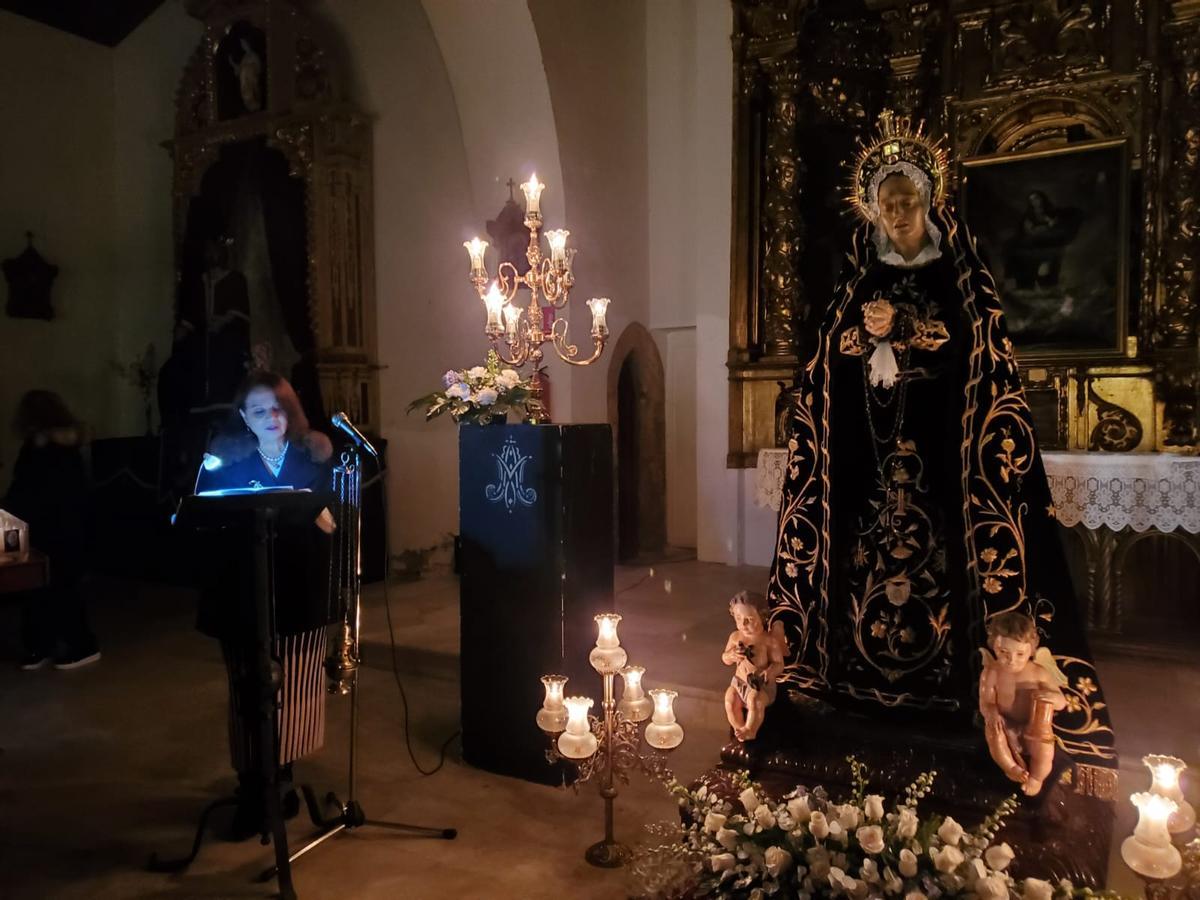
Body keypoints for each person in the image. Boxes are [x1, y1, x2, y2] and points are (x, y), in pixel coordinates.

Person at [765, 111, 1115, 775]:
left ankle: (965, 695)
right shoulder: (856, 282)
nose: (898, 212)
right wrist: (864, 337)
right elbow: (826, 365)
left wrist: (908, 330)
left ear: (929, 203)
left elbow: (981, 355)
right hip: (869, 468)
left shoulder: (961, 278)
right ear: (873, 210)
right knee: (866, 575)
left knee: (947, 577)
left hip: (946, 465)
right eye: (888, 202)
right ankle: (849, 683)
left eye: (909, 200)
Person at [192, 370, 334, 839]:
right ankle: (252, 787)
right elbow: (203, 523)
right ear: (243, 417)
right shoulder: (224, 462)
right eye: (259, 410)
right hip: (240, 595)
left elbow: (335, 519)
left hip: (298, 592)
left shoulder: (314, 458)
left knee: (294, 691)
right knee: (248, 691)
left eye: (277, 407)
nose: (270, 417)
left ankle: (284, 781)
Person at [5, 390, 99, 670]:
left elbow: (30, 490)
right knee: (47, 589)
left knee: (56, 589)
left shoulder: (45, 449)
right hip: (59, 528)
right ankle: (50, 644)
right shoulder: (60, 447)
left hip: (55, 528)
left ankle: (77, 645)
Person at [978, 611, 1068, 796]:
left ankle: (1037, 778)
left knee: (1044, 749)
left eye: (1020, 654)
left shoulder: (1038, 673)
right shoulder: (991, 672)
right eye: (1003, 652)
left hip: (1035, 725)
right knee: (994, 733)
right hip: (1005, 722)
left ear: (1031, 650)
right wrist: (992, 712)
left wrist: (1050, 696)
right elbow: (986, 701)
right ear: (993, 645)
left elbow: (1061, 702)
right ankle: (1010, 767)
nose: (1012, 660)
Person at [721, 591, 785, 742]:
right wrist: (731, 655)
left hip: (761, 685)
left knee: (755, 700)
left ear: (762, 617)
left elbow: (779, 664)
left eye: (749, 620)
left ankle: (750, 730)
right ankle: (738, 728)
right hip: (739, 682)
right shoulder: (735, 637)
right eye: (738, 618)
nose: (743, 624)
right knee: (730, 699)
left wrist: (770, 672)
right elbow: (725, 658)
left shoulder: (768, 641)